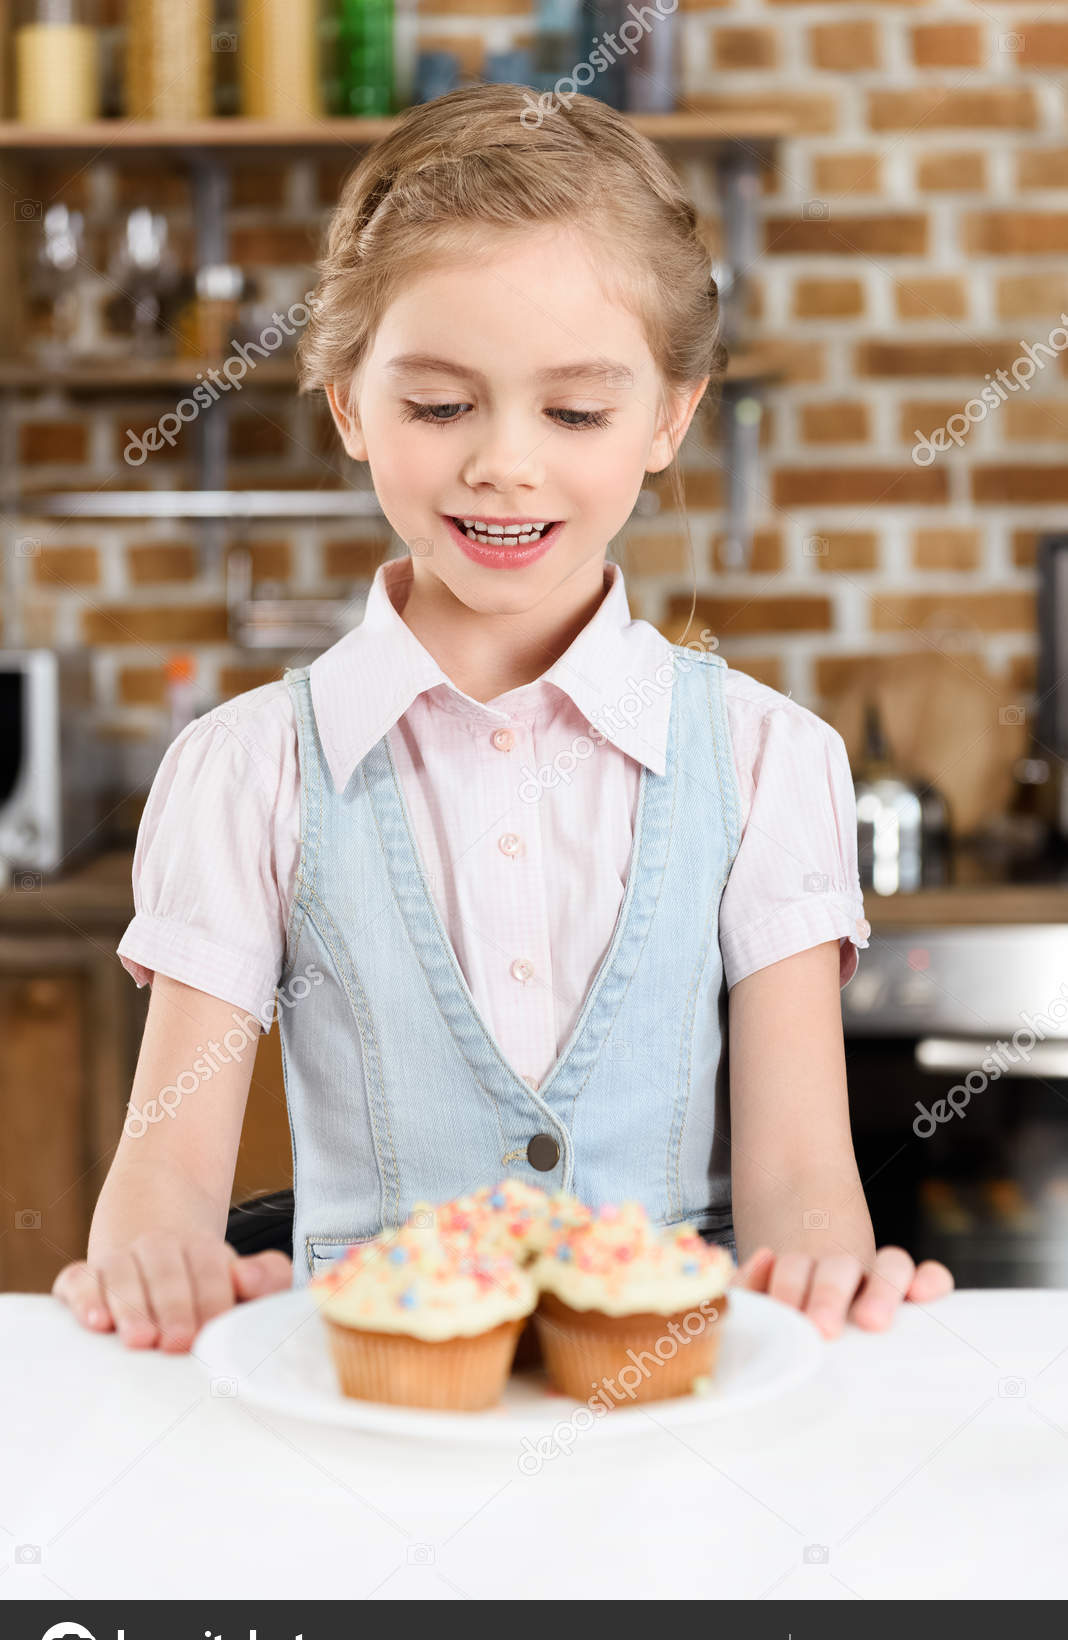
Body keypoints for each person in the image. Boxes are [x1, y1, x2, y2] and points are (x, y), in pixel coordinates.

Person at [53, 85, 953, 1353]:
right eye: (439, 406)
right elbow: (163, 1182)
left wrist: (830, 1295)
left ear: (670, 416)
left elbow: (803, 1185)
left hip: (670, 1417)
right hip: (368, 1414)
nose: (505, 464)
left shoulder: (766, 760)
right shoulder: (246, 769)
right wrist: (152, 1272)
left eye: (575, 411)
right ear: (349, 404)